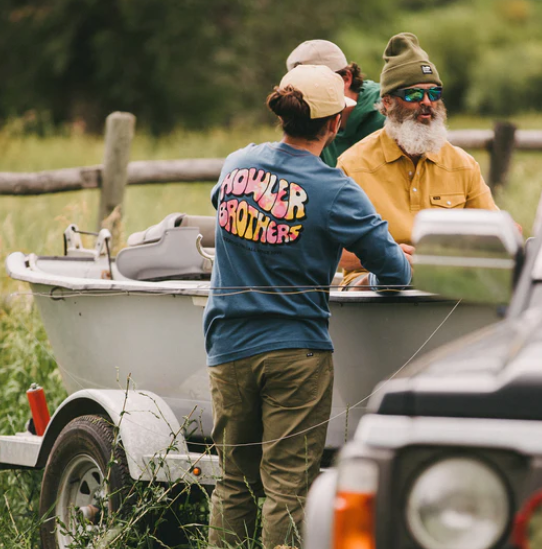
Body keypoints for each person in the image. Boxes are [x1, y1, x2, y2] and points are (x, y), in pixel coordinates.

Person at [203, 65, 412, 548]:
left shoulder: (236, 164)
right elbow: (395, 271)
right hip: (297, 354)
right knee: (287, 486)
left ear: (285, 113)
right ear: (336, 123)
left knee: (233, 481)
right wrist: (398, 260)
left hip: (226, 347)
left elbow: (222, 207)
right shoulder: (336, 189)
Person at [337, 32, 499, 289]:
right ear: (388, 101)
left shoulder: (462, 164)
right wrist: (391, 260)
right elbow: (335, 253)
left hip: (446, 289)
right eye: (413, 95)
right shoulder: (353, 165)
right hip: (371, 295)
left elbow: (496, 239)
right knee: (386, 280)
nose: (427, 103)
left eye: (434, 93)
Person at [286, 39, 385, 167]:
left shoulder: (388, 113)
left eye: (316, 84)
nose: (306, 93)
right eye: (298, 87)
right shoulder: (307, 121)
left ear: (346, 79)